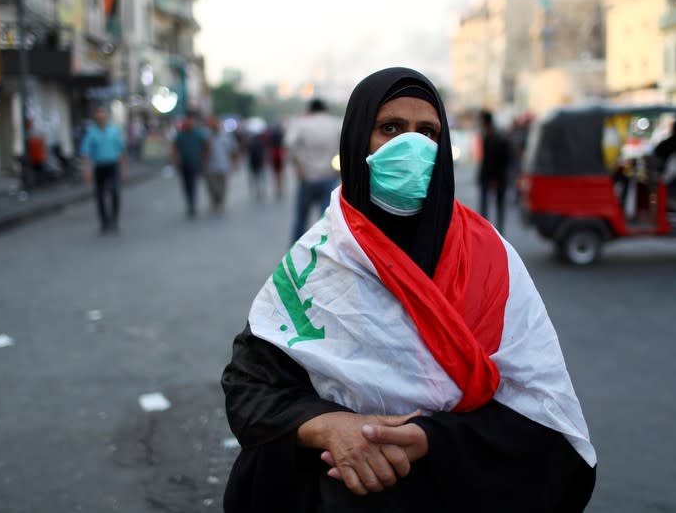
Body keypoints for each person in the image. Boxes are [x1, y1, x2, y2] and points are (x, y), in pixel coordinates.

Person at [221, 67, 597, 512]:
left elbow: (543, 414)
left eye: (428, 133)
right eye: (391, 128)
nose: (412, 146)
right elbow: (250, 386)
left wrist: (428, 439)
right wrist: (326, 427)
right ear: (359, 138)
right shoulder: (318, 260)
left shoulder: (491, 259)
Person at [284, 98, 341, 242]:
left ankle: (295, 254)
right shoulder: (336, 123)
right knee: (327, 222)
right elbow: (345, 146)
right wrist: (338, 168)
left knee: (301, 219)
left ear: (310, 110)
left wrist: (298, 166)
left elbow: (289, 144)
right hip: (329, 176)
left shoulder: (301, 123)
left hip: (307, 176)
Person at [80, 106, 127, 234]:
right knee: (100, 195)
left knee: (115, 192)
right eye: (98, 114)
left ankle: (114, 220)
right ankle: (104, 222)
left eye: (102, 114)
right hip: (100, 166)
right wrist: (87, 171)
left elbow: (121, 150)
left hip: (113, 165)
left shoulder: (114, 131)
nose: (101, 116)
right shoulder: (91, 132)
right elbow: (85, 153)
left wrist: (123, 170)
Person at [476, 109, 513, 231]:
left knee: (496, 206)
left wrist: (495, 178)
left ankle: (495, 232)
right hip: (490, 177)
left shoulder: (497, 137)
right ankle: (486, 230)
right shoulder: (489, 134)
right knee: (487, 206)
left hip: (497, 177)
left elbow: (502, 160)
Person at [172, 110, 210, 218]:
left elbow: (206, 146)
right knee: (186, 184)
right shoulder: (180, 135)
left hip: (195, 163)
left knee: (192, 184)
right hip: (184, 163)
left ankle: (192, 203)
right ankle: (190, 203)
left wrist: (203, 158)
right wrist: (175, 160)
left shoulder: (198, 133)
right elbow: (174, 148)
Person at [204, 117, 237, 213]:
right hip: (210, 166)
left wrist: (235, 163)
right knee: (212, 186)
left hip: (223, 165)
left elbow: (233, 150)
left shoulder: (227, 136)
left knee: (222, 186)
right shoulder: (206, 136)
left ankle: (220, 202)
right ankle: (214, 202)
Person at [268, 122, 286, 199]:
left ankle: (277, 187)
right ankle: (280, 186)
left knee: (276, 173)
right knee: (280, 172)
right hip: (280, 154)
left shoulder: (271, 135)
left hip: (274, 154)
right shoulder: (281, 134)